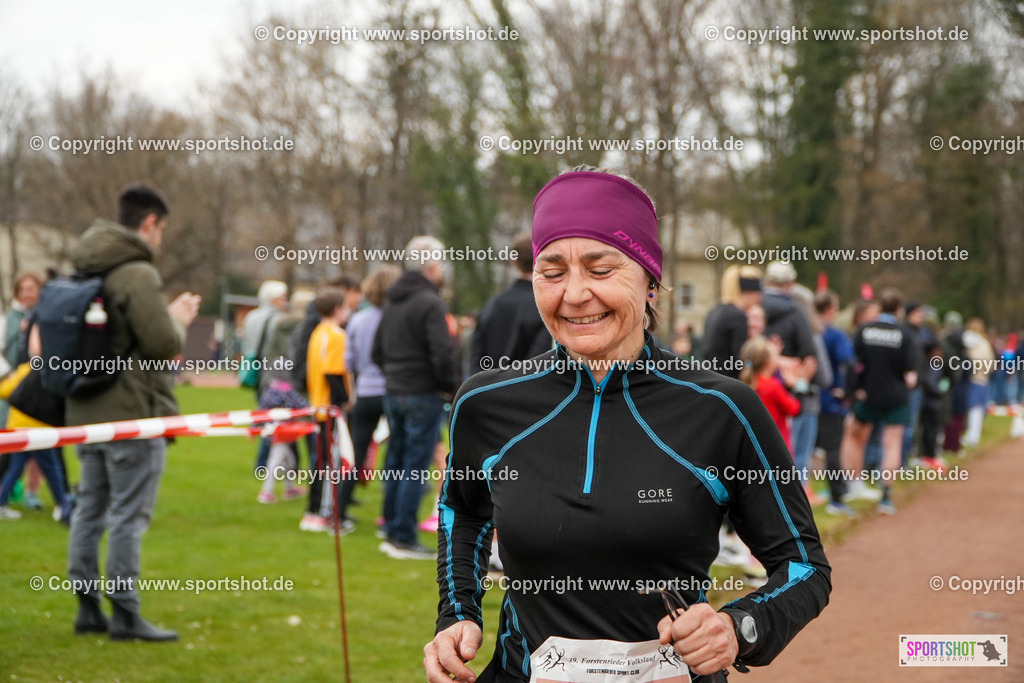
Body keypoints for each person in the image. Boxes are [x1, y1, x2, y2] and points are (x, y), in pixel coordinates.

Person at [425, 167, 830, 683]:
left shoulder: (722, 409)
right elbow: (463, 509)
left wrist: (738, 628)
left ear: (651, 281)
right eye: (552, 271)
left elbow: (804, 567)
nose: (575, 294)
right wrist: (458, 613)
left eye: (600, 269)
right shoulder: (486, 403)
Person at [66, 184, 200, 641]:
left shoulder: (86, 265)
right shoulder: (136, 271)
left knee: (89, 510)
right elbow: (162, 344)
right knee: (128, 516)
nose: (160, 237)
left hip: (86, 410)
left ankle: (87, 608)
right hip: (131, 412)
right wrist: (177, 317)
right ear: (150, 222)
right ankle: (125, 613)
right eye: (162, 228)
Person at [373, 236, 460, 560]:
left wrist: (396, 374)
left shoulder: (392, 301)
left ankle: (391, 526)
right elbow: (442, 352)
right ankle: (403, 535)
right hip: (421, 393)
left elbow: (377, 351)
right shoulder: (430, 302)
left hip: (394, 390)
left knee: (397, 459)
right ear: (433, 266)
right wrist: (451, 386)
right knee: (414, 464)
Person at [839, 288, 918, 515]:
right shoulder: (904, 334)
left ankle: (852, 484)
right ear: (899, 310)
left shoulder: (864, 330)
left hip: (868, 394)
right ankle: (886, 496)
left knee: (854, 436)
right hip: (896, 397)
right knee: (892, 443)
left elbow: (852, 364)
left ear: (880, 307)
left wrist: (855, 390)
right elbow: (910, 375)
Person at [338, 265, 401, 527]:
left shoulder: (358, 320)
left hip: (364, 392)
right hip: (393, 391)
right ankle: (390, 516)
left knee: (355, 452)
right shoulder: (398, 319)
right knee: (397, 454)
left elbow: (348, 361)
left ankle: (339, 512)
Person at [300, 288, 356, 534]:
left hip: (318, 405)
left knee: (320, 459)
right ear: (337, 309)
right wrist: (345, 401)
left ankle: (314, 509)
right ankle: (321, 512)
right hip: (330, 407)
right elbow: (332, 373)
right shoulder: (336, 335)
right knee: (330, 462)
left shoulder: (317, 332)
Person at [469, 233, 551, 375]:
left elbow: (475, 360)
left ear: (514, 261)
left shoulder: (492, 305)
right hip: (527, 387)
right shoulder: (546, 306)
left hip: (488, 386)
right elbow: (538, 364)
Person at [0, 272, 46, 509]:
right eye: (24, 289)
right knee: (10, 444)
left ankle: (31, 492)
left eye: (32, 288)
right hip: (10, 388)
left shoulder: (45, 316)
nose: (28, 293)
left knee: (41, 445)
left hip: (37, 388)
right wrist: (8, 375)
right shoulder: (7, 320)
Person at [813, 290, 856, 516]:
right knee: (832, 450)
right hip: (830, 401)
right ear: (830, 309)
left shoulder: (808, 331)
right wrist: (847, 392)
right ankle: (837, 497)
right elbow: (849, 362)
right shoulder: (835, 335)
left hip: (807, 399)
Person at [740, 336, 801, 451]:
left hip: (755, 444)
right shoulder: (772, 386)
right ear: (768, 362)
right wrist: (798, 386)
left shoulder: (746, 384)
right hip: (776, 445)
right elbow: (794, 409)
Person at [702, 265, 761, 379]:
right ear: (751, 293)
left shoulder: (714, 311)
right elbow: (741, 358)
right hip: (729, 380)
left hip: (712, 378)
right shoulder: (737, 316)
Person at [961, 318, 994, 448]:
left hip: (968, 379)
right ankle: (973, 435)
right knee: (976, 409)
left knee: (970, 408)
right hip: (980, 379)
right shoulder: (984, 343)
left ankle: (970, 435)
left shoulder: (965, 342)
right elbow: (990, 363)